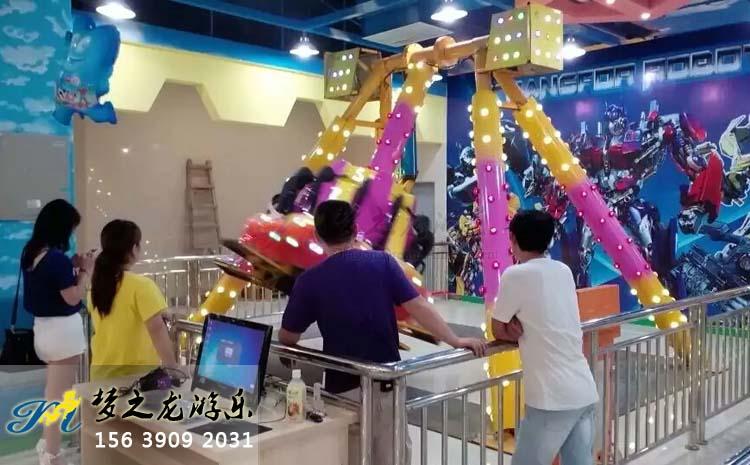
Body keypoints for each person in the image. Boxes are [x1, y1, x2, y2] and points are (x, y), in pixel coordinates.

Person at [278, 200, 486, 465]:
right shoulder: (383, 264)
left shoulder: (309, 281)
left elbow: (288, 336)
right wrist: (455, 339)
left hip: (342, 388)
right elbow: (419, 307)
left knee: (350, 453)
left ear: (317, 235)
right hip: (387, 383)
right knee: (392, 454)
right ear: (355, 230)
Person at [490, 210, 599, 465]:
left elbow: (498, 328)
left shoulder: (515, 275)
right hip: (583, 389)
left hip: (551, 397)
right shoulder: (563, 270)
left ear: (512, 238)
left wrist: (517, 328)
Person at [21, 199, 92, 465]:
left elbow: (50, 284)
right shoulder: (56, 259)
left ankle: (47, 445)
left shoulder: (32, 253)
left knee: (53, 390)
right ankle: (51, 454)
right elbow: (73, 297)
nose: (71, 234)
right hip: (63, 334)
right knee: (57, 396)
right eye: (71, 229)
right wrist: (84, 271)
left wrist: (71, 266)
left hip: (43, 330)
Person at [88, 220, 177, 381]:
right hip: (135, 378)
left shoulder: (96, 287)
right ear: (134, 248)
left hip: (100, 376)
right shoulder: (142, 286)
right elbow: (157, 331)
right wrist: (173, 370)